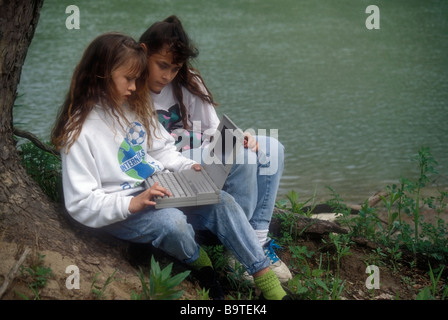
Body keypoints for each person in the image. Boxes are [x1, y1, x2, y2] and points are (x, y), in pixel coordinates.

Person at [51, 32, 288, 300]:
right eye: (128, 79)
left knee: (222, 201)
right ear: (101, 74)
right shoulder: (78, 131)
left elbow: (163, 150)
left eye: (137, 79)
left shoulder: (131, 108)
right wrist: (131, 204)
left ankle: (270, 286)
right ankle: (203, 267)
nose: (134, 87)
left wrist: (187, 167)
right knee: (172, 222)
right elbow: (81, 202)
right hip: (124, 207)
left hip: (158, 189)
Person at [139, 15, 292, 283]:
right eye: (162, 65)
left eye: (174, 68)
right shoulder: (131, 87)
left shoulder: (188, 81)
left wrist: (240, 137)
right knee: (240, 156)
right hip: (167, 164)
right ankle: (238, 249)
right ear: (144, 52)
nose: (167, 75)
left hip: (198, 152)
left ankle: (257, 242)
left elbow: (212, 132)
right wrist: (232, 149)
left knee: (271, 149)